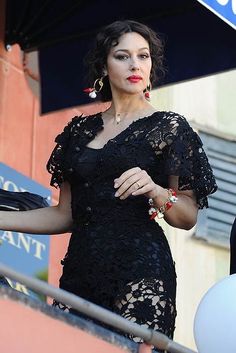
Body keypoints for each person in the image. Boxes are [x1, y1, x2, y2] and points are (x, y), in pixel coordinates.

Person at [0, 20, 217, 346]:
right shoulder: (77, 131)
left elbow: (187, 216)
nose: (135, 65)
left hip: (140, 269)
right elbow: (64, 215)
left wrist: (157, 191)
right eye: (123, 56)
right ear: (103, 64)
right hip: (80, 270)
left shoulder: (170, 128)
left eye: (143, 56)